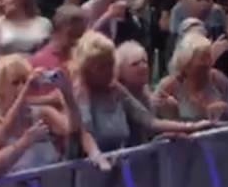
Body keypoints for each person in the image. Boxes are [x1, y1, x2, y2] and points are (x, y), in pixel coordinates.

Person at [71, 31, 213, 152]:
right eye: (103, 66)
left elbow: (149, 121)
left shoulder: (115, 88)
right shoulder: (80, 94)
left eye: (110, 64)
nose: (109, 71)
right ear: (88, 68)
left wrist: (190, 127)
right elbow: (86, 135)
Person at [154, 31, 228, 122]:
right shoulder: (169, 86)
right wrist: (171, 114)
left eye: (209, 57)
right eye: (203, 58)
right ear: (186, 62)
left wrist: (225, 109)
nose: (208, 63)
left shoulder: (218, 80)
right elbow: (151, 120)